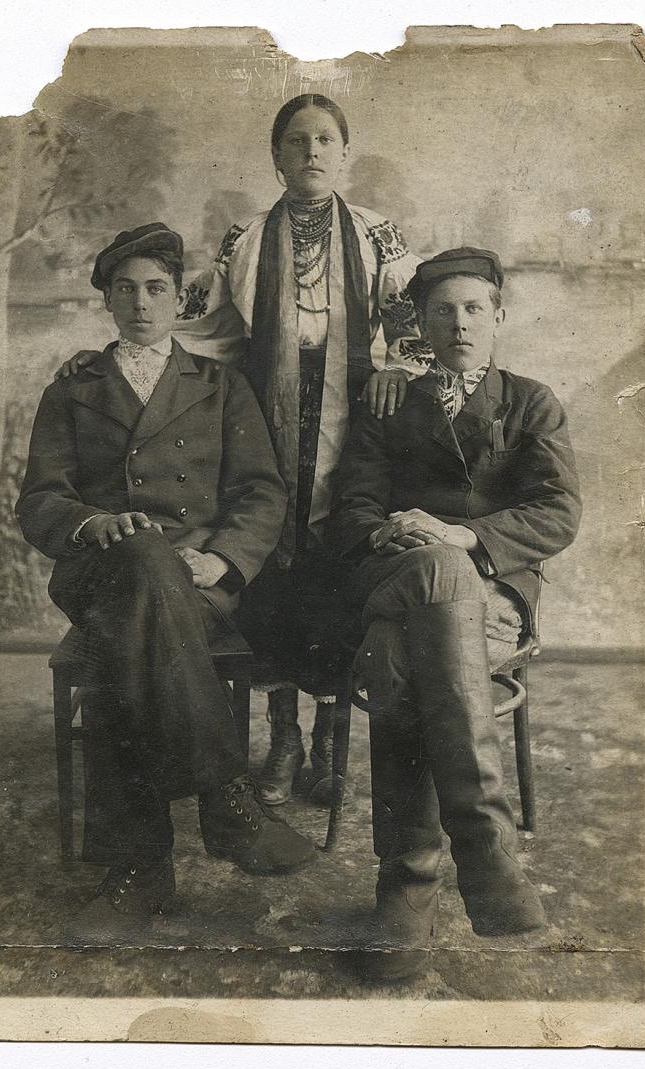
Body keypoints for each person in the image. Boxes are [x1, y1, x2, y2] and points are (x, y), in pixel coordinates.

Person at [59, 94, 428, 806]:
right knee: (271, 560)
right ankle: (283, 737)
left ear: (343, 153)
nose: (312, 152)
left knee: (339, 557)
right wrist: (110, 354)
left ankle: (329, 738)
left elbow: (412, 312)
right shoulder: (246, 239)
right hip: (268, 412)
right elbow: (191, 325)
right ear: (277, 157)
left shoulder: (379, 235)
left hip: (356, 421)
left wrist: (397, 366)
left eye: (325, 140)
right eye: (297, 141)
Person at [16, 223, 314, 940]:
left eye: (156, 289)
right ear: (108, 301)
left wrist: (225, 559)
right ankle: (226, 796)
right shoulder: (74, 389)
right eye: (126, 289)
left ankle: (138, 872)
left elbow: (261, 492)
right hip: (100, 566)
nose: (141, 303)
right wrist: (90, 524)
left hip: (198, 574)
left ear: (181, 299)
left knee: (130, 643)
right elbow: (40, 501)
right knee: (140, 560)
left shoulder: (219, 386)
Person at [330, 247, 582, 980]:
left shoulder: (531, 401)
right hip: (398, 573)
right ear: (422, 322)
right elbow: (353, 505)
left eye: (474, 309)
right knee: (432, 577)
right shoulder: (392, 402)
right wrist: (388, 530)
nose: (460, 323)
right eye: (444, 310)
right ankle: (487, 856)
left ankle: (406, 888)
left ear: (499, 316)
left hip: (493, 586)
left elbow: (558, 510)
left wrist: (463, 535)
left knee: (407, 652)